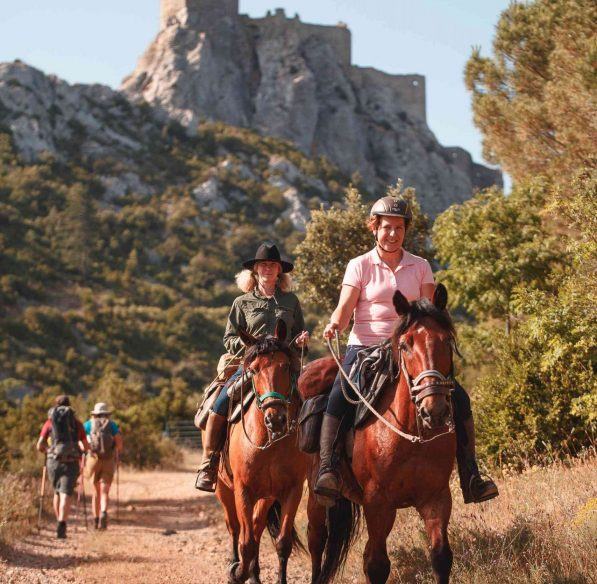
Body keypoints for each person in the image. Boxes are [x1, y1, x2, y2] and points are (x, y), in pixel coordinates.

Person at [314, 196, 499, 504]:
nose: (393, 233)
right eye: (387, 227)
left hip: (410, 349)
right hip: (366, 346)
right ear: (375, 228)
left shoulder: (421, 266)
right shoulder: (359, 266)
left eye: (399, 227)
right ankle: (327, 470)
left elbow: (429, 311)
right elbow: (344, 310)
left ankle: (471, 476)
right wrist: (334, 324)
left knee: (460, 398)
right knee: (338, 394)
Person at [195, 243, 310, 492]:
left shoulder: (291, 301)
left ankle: (318, 465)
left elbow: (299, 335)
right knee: (220, 403)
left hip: (283, 366)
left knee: (312, 402)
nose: (268, 268)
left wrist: (301, 342)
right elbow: (228, 338)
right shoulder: (242, 302)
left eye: (273, 265)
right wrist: (251, 346)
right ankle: (209, 463)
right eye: (263, 265)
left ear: (280, 270)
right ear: (255, 270)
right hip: (253, 365)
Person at [37, 395, 89, 539]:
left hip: (53, 461)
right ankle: (62, 523)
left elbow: (39, 445)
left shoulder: (49, 423)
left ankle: (59, 518)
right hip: (72, 461)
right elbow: (86, 446)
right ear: (69, 406)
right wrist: (82, 452)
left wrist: (49, 451)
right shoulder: (77, 423)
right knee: (66, 492)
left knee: (57, 492)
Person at [83, 402, 123, 530]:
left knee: (96, 492)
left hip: (93, 459)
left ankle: (95, 520)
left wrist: (86, 451)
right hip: (108, 460)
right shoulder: (111, 425)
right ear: (107, 413)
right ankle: (104, 513)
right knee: (105, 491)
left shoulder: (88, 424)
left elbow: (81, 442)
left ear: (94, 413)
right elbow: (119, 445)